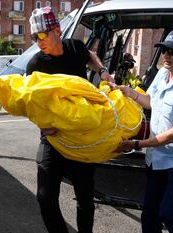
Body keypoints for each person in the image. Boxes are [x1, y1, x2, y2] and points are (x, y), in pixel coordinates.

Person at [26, 6, 114, 233]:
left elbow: (90, 56)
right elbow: (28, 101)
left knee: (85, 197)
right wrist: (42, 124)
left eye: (42, 35)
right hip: (52, 137)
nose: (38, 41)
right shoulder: (36, 65)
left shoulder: (74, 47)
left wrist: (103, 71)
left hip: (81, 135)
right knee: (45, 197)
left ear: (57, 30)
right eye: (34, 37)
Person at [114, 29, 173, 233]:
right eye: (165, 49)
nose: (167, 55)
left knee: (171, 214)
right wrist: (129, 92)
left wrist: (137, 144)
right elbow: (151, 102)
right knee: (150, 214)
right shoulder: (163, 73)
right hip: (158, 158)